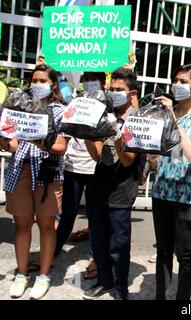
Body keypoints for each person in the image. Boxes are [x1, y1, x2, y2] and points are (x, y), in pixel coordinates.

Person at [1, 64, 69, 300]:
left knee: (47, 225)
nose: (38, 84)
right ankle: (22, 273)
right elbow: (12, 145)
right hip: (20, 170)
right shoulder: (19, 107)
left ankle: (43, 275)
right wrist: (4, 139)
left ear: (53, 84)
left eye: (43, 80)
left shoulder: (60, 111)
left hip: (47, 174)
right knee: (21, 224)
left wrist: (43, 142)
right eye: (34, 80)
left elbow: (61, 146)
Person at [151, 64, 191, 300]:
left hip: (187, 195)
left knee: (185, 255)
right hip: (161, 191)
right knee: (163, 251)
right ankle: (161, 296)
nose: (177, 86)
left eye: (183, 82)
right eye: (175, 80)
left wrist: (174, 120)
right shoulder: (165, 111)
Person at [83, 67, 139, 300]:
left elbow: (128, 160)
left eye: (120, 90)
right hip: (98, 185)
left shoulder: (137, 121)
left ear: (131, 92)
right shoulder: (102, 115)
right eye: (112, 89)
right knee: (99, 240)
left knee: (118, 243)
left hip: (122, 190)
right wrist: (86, 131)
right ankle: (104, 281)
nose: (114, 93)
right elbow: (97, 155)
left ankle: (121, 288)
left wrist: (116, 133)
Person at [54, 72, 107, 280]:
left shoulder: (108, 105)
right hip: (73, 166)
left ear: (103, 84)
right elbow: (60, 83)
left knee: (96, 216)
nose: (89, 83)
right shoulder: (73, 102)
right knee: (67, 213)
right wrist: (53, 70)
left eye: (93, 79)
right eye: (86, 79)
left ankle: (94, 258)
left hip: (96, 168)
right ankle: (53, 251)